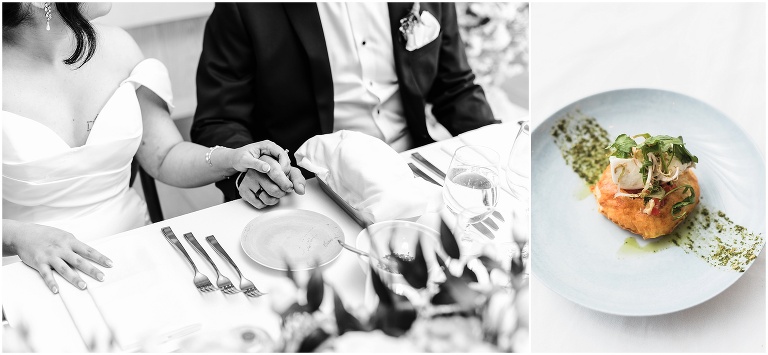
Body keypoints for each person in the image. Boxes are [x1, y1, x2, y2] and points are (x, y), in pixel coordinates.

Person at [2, 2, 306, 294]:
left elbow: (164, 156)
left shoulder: (119, 47)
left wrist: (233, 159)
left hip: (138, 250)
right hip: (31, 270)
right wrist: (17, 236)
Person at [192, 2, 498, 206]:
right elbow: (218, 120)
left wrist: (500, 149)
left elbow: (455, 88)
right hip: (308, 187)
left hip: (414, 170)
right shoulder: (243, 8)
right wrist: (253, 170)